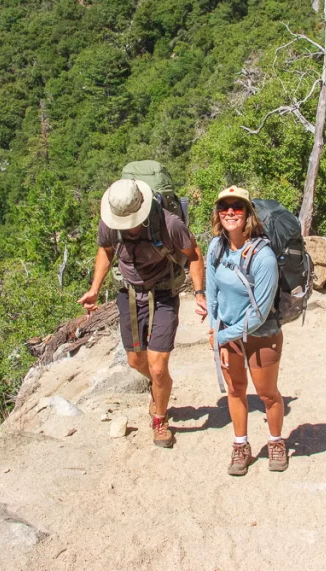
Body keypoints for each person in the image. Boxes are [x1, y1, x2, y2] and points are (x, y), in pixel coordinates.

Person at [79, 178, 207, 449]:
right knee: (136, 361)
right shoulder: (111, 223)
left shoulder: (169, 224)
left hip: (163, 294)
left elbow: (194, 253)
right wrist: (94, 289)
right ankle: (159, 386)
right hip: (128, 293)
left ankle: (160, 418)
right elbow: (106, 250)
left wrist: (199, 293)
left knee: (158, 367)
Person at [206, 186, 288, 476]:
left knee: (267, 394)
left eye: (237, 207)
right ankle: (240, 445)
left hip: (261, 335)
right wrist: (214, 326)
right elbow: (211, 288)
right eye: (224, 207)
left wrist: (222, 337)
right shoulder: (216, 247)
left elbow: (259, 313)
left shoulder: (263, 258)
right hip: (228, 331)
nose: (230, 212)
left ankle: (276, 442)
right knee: (236, 390)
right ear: (218, 214)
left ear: (248, 213)